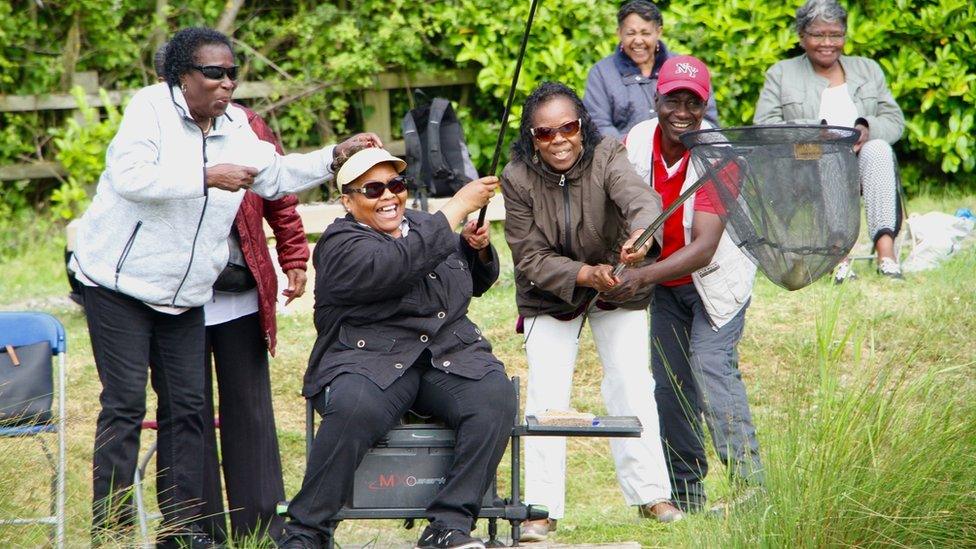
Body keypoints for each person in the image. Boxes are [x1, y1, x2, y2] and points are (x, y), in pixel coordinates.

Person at [70, 26, 377, 547]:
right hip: (116, 285)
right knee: (124, 404)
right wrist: (206, 174)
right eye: (214, 73)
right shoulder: (151, 110)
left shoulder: (235, 126)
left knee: (187, 409)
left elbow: (275, 176)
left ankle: (184, 530)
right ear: (181, 77)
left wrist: (334, 156)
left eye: (233, 73)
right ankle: (113, 531)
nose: (227, 83)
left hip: (184, 294)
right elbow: (131, 177)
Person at [279, 147, 515, 549]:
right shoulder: (339, 243)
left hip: (445, 356)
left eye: (396, 184)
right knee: (356, 406)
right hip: (369, 357)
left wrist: (476, 250)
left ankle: (449, 525)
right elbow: (395, 266)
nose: (388, 196)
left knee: (494, 396)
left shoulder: (424, 226)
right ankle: (306, 531)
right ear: (348, 201)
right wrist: (458, 206)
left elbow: (471, 284)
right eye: (372, 189)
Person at [500, 81, 683, 542]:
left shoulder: (608, 153)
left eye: (568, 127)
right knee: (546, 395)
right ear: (531, 136)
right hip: (550, 292)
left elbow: (641, 199)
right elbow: (530, 257)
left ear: (582, 125)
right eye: (545, 133)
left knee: (632, 381)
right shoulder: (516, 176)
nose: (559, 139)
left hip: (617, 282)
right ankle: (540, 510)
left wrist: (641, 234)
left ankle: (652, 495)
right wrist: (584, 274)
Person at [150, 41, 307, 543]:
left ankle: (260, 525)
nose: (221, 84)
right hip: (176, 301)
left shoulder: (247, 126)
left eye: (227, 74)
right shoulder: (149, 134)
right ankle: (192, 528)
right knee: (184, 410)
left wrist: (294, 257)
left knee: (250, 408)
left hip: (239, 294)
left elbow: (278, 194)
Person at [608, 55, 763, 513]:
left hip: (716, 282)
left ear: (704, 105)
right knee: (671, 385)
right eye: (672, 98)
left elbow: (705, 247)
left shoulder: (721, 156)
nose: (681, 110)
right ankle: (687, 493)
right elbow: (615, 191)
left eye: (692, 102)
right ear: (655, 98)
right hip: (667, 284)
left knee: (711, 366)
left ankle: (752, 488)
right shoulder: (637, 139)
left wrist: (639, 276)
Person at [754, 0, 906, 281]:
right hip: (805, 164)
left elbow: (895, 121)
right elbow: (764, 127)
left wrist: (865, 128)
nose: (827, 42)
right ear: (802, 37)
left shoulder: (868, 69)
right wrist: (815, 132)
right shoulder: (781, 74)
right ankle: (840, 256)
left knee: (879, 149)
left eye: (835, 34)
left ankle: (887, 255)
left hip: (864, 160)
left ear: (845, 36)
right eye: (818, 34)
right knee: (831, 152)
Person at [583, 0, 719, 140]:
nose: (638, 40)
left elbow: (708, 122)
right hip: (623, 156)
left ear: (658, 32)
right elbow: (598, 125)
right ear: (619, 33)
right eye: (630, 33)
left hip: (682, 153)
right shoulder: (601, 73)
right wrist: (632, 149)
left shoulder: (685, 70)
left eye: (645, 33)